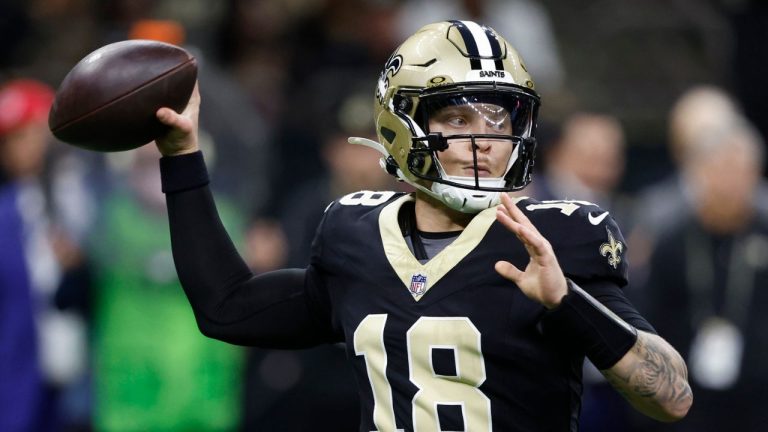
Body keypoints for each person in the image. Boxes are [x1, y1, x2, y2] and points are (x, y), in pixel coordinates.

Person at [153, 21, 692, 431]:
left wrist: (567, 301)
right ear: (401, 126)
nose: (484, 138)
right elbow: (227, 308)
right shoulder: (355, 233)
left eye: (500, 119)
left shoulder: (556, 239)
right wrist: (182, 156)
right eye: (458, 119)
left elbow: (672, 397)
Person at [637, 118, 768, 432]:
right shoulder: (670, 241)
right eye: (721, 170)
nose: (731, 182)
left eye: (742, 171)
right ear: (697, 174)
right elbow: (649, 321)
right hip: (686, 400)